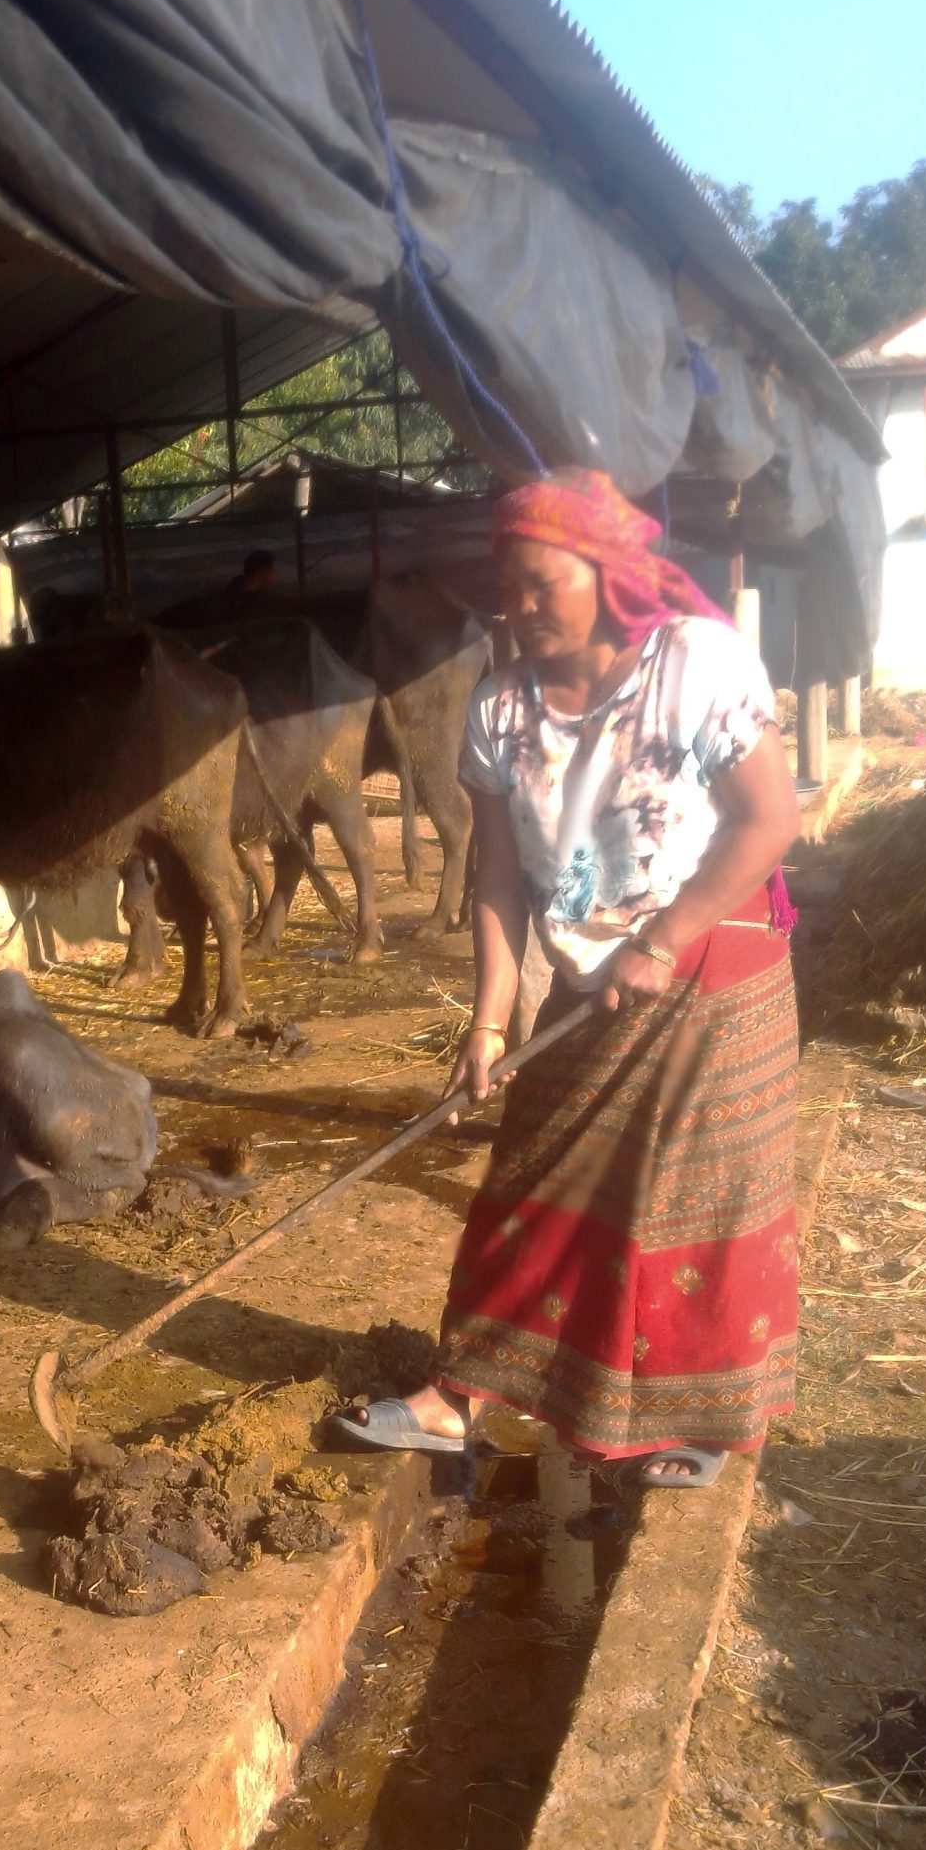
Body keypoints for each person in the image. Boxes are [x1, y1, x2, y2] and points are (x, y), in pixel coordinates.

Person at [332, 471, 804, 1491]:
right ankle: (459, 1398)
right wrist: (487, 1021)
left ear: (610, 575)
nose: (519, 606)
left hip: (713, 960)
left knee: (687, 1199)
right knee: (530, 1177)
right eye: (506, 588)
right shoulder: (499, 709)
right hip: (593, 971)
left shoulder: (693, 663)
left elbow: (769, 820)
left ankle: (701, 1421)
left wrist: (663, 938)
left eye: (541, 583)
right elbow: (497, 879)